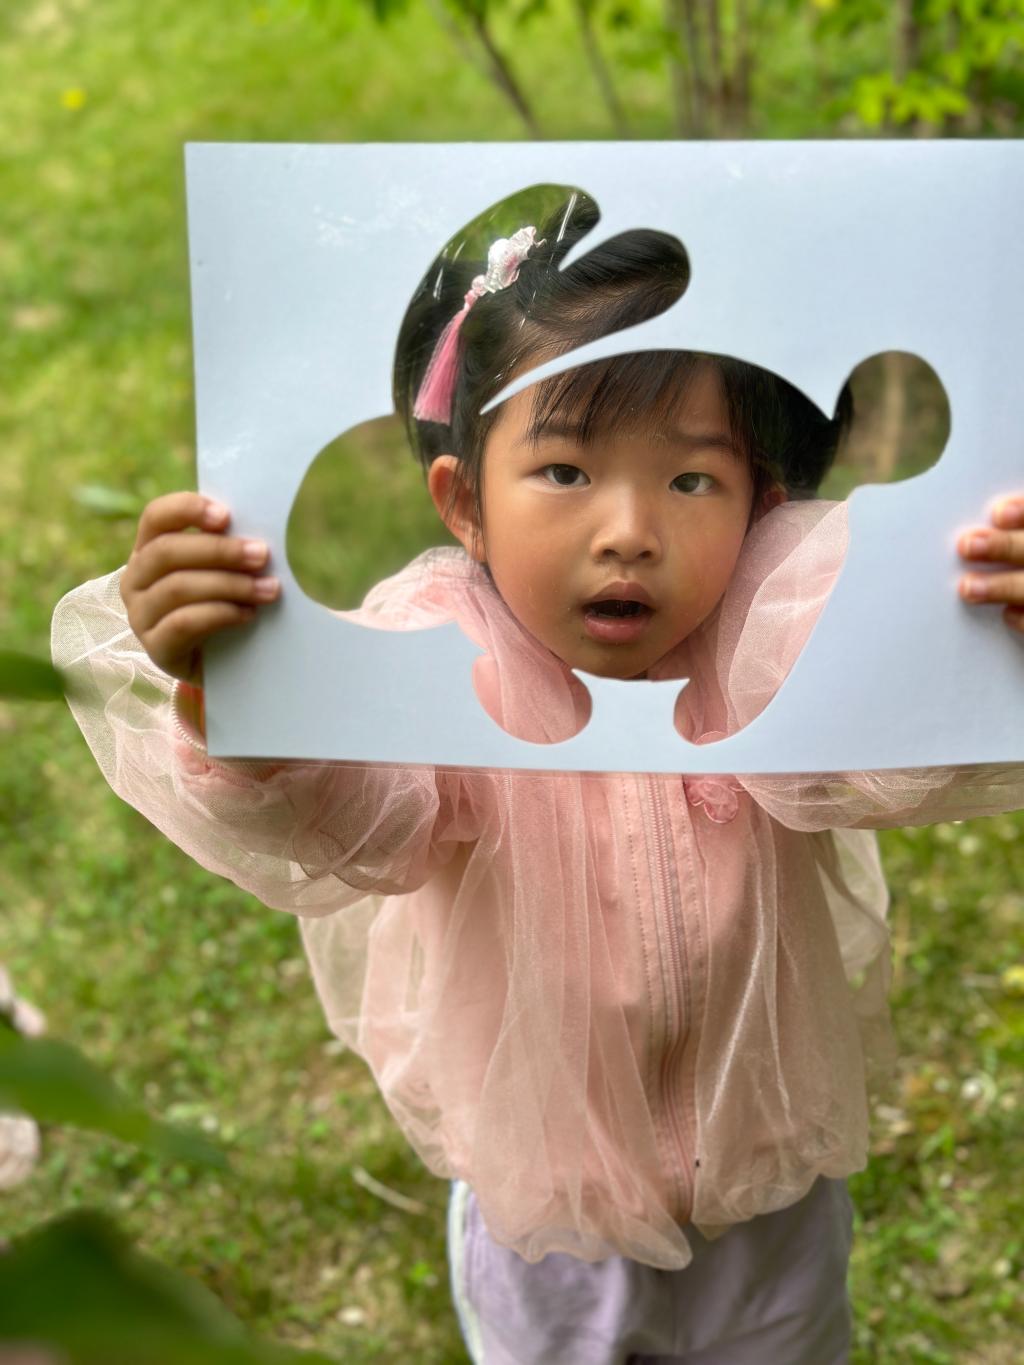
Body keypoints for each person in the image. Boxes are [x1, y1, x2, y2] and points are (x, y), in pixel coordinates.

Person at [52, 191, 1024, 1364]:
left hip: (763, 1184)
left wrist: (982, 624)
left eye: (691, 482)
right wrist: (253, 707)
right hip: (546, 1212)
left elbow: (894, 742)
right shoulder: (441, 656)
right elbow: (358, 814)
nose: (627, 531)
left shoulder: (768, 634)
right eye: (563, 470)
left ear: (761, 506)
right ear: (464, 503)